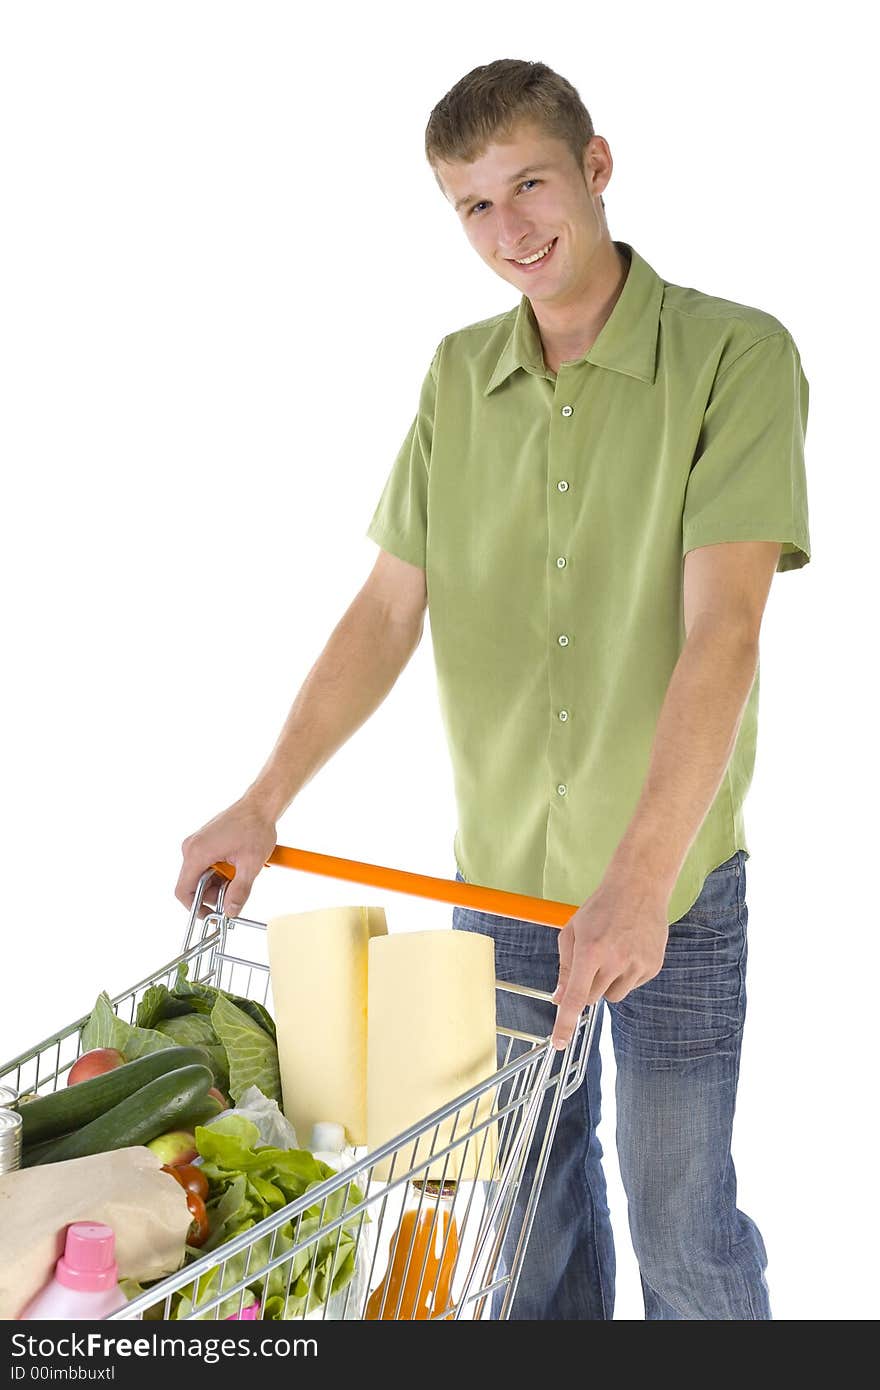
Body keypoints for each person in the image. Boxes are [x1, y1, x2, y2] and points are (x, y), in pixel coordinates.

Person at [176, 59, 811, 1320]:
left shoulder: (735, 355)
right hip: (500, 886)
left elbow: (724, 631)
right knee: (522, 1231)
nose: (508, 229)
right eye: (472, 205)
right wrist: (262, 798)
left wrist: (634, 883)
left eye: (528, 183)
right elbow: (386, 608)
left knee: (682, 1227)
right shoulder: (456, 377)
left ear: (596, 166)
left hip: (669, 888)